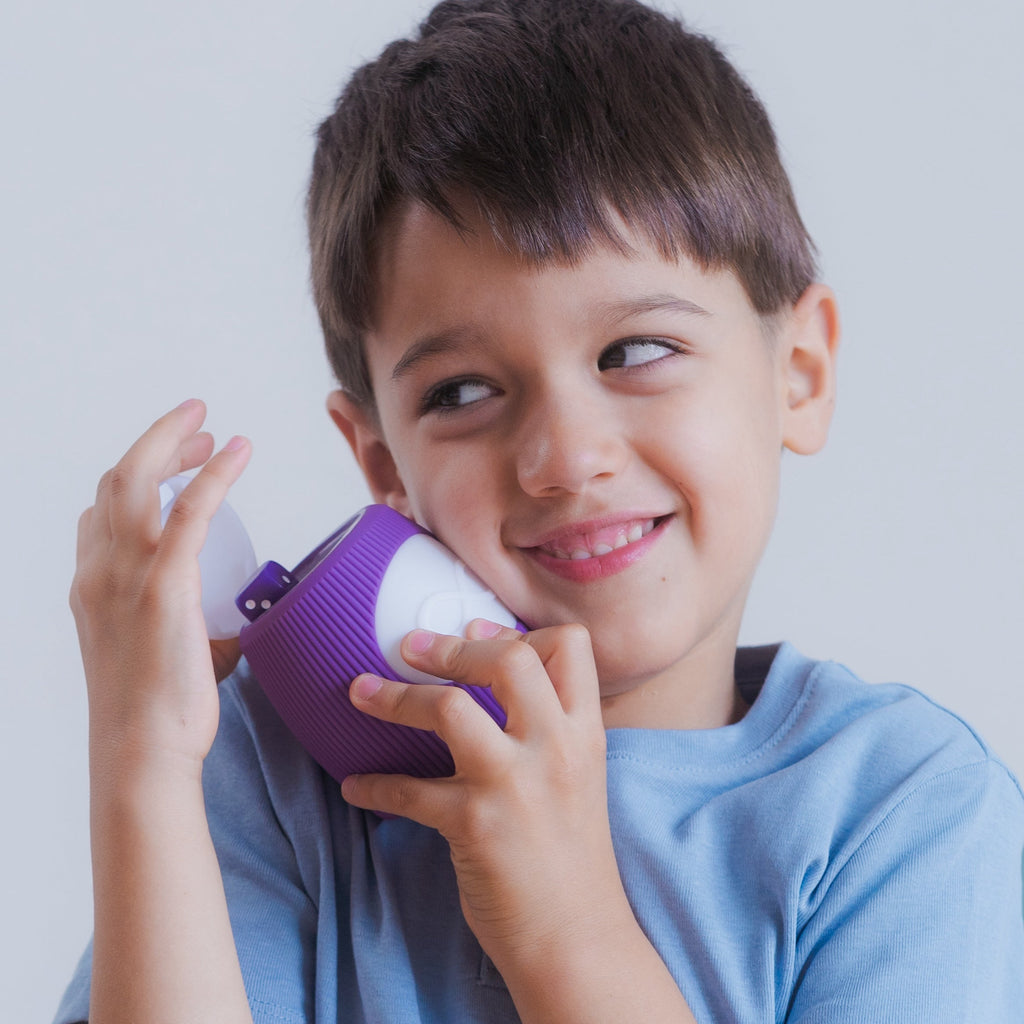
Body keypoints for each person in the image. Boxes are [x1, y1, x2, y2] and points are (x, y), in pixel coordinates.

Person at [55, 1, 1024, 1021]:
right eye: (463, 393)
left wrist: (565, 928)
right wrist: (145, 761)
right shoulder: (277, 767)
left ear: (800, 372)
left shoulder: (900, 810)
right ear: (382, 463)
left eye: (635, 351)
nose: (564, 458)